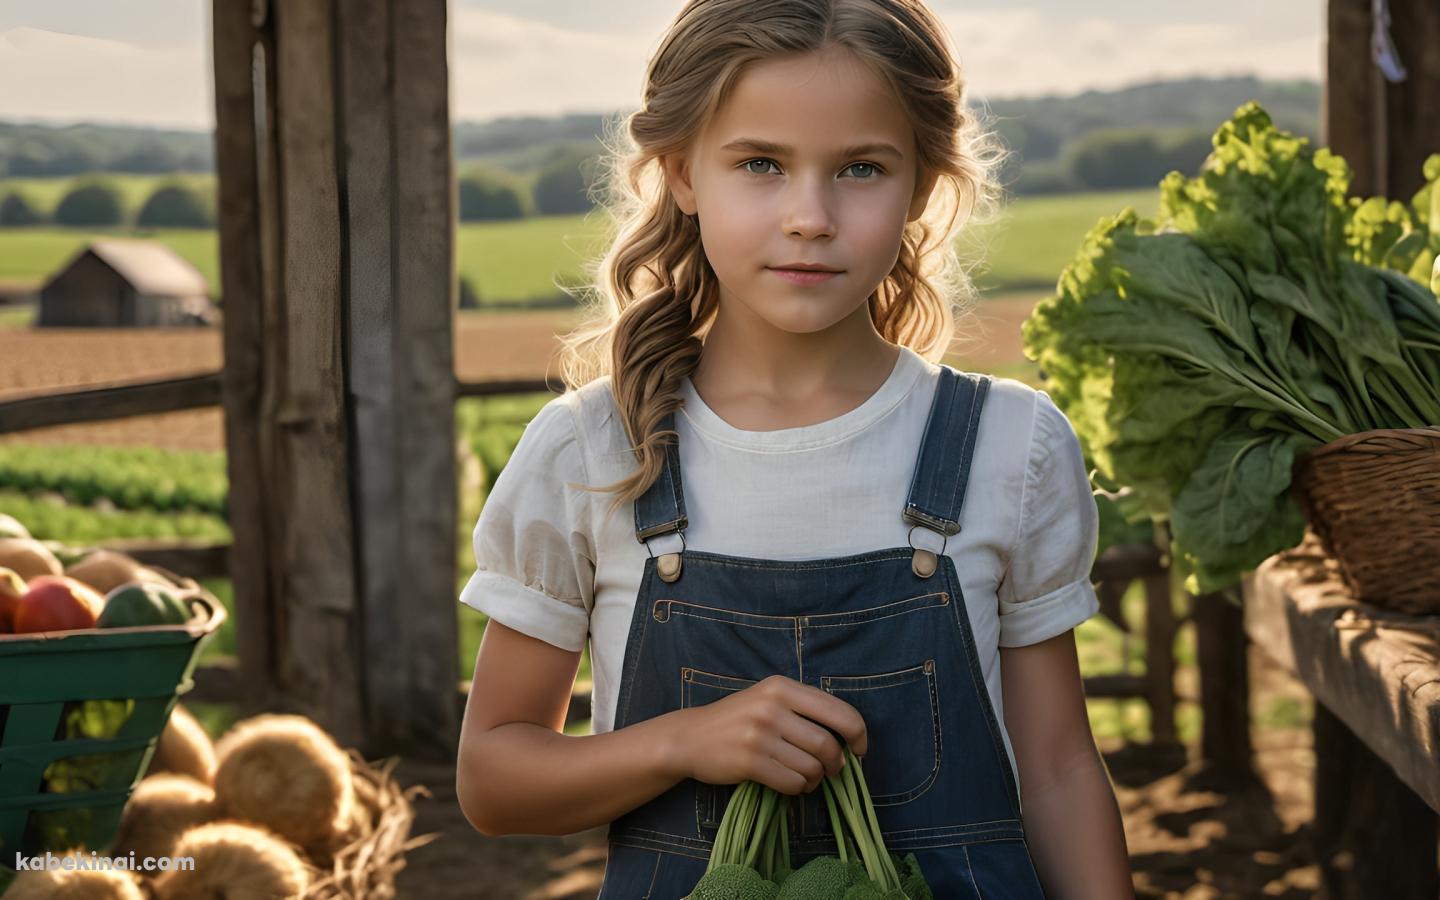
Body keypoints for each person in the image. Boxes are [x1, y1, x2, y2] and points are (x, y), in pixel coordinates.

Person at [455, 1, 1134, 896]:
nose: (811, 215)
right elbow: (494, 781)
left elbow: (1057, 771)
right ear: (682, 173)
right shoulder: (593, 453)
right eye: (761, 164)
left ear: (923, 186)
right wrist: (681, 742)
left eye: (860, 167)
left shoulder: (1011, 447)